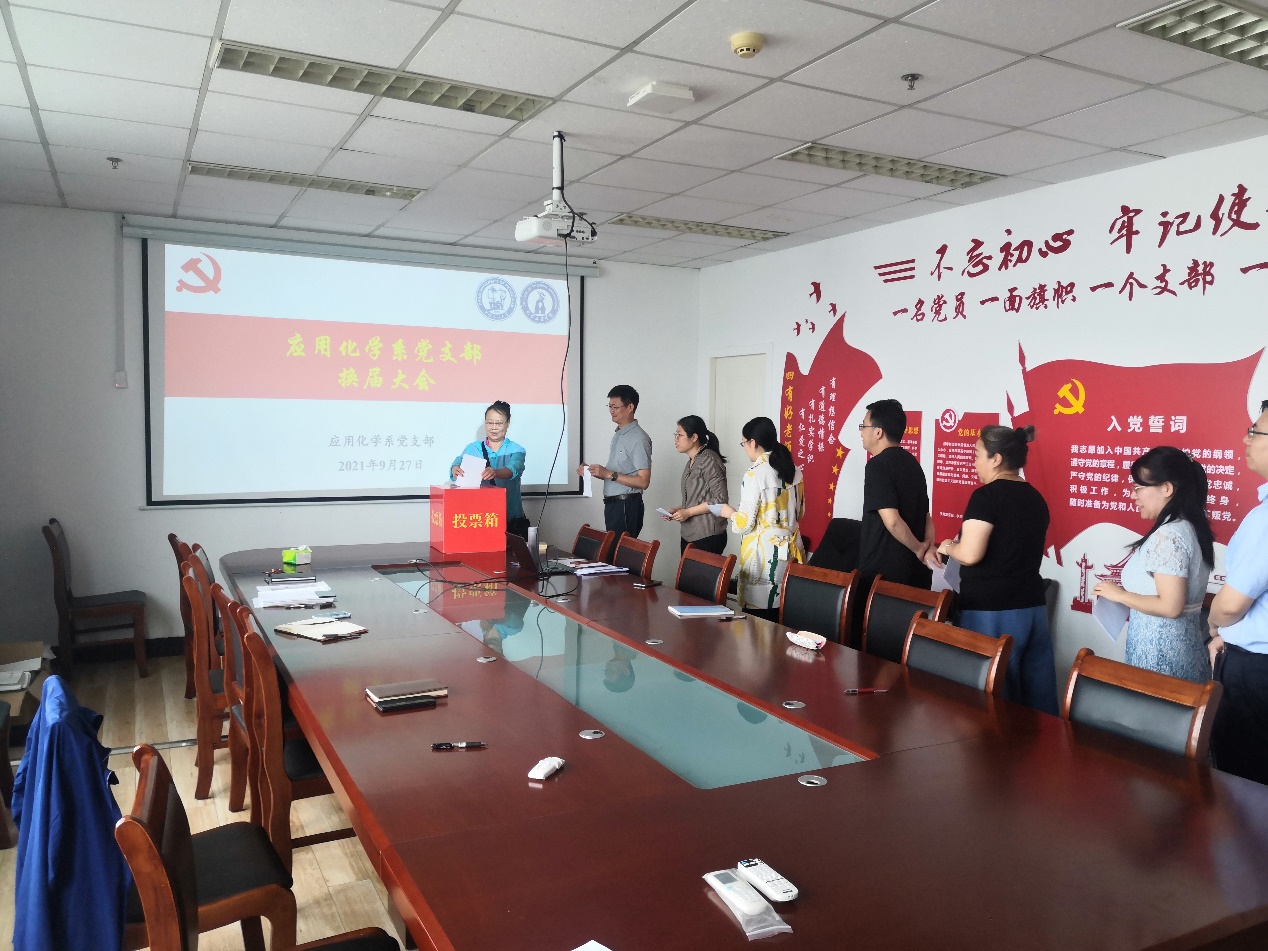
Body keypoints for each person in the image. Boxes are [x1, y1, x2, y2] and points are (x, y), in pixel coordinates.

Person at [935, 425, 1057, 714]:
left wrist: (949, 547)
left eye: (978, 455)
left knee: (992, 698)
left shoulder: (986, 497)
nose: (974, 462)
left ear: (996, 459)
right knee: (1036, 699)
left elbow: (970, 554)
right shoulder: (1036, 498)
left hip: (992, 611)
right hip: (1032, 607)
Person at [1093, 446, 1214, 684]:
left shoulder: (1169, 534)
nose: (1133, 496)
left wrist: (1119, 595)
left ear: (1167, 488)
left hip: (1161, 657)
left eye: (1138, 487)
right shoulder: (1186, 526)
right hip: (1177, 652)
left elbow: (1170, 606)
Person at [1208, 400, 1268, 785]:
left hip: (1257, 674)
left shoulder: (1265, 519)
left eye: (1255, 432)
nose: (1246, 440)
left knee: (1242, 784)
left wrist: (1216, 628)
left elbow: (1230, 605)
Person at [719, 417, 805, 620]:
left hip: (763, 559)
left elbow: (743, 524)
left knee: (757, 625)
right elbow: (800, 513)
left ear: (753, 442)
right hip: (791, 556)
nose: (744, 448)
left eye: (743, 443)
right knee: (783, 619)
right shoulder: (795, 471)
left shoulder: (755, 474)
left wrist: (729, 513)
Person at [858, 399, 933, 591]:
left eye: (863, 426)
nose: (861, 432)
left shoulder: (877, 466)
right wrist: (927, 547)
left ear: (878, 432)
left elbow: (892, 521)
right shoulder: (914, 464)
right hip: (915, 574)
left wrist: (919, 548)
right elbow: (927, 517)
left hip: (884, 576)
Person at [579, 384, 651, 538]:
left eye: (616, 407)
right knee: (613, 549)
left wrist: (608, 473)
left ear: (630, 407)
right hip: (615, 505)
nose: (611, 411)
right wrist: (593, 471)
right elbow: (616, 474)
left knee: (620, 551)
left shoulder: (639, 438)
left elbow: (643, 481)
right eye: (610, 406)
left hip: (626, 505)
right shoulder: (619, 434)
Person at [451, 400, 528, 539]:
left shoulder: (517, 450)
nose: (494, 427)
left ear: (508, 423)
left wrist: (495, 472)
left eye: (499, 423)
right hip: (480, 518)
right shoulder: (473, 448)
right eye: (489, 423)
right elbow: (458, 462)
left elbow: (513, 470)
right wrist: (455, 469)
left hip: (510, 518)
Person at [664, 415, 729, 555]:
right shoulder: (691, 461)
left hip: (707, 535)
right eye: (676, 435)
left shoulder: (709, 459)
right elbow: (695, 499)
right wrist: (677, 510)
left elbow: (720, 499)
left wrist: (688, 512)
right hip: (689, 534)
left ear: (694, 437)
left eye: (680, 435)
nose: (676, 439)